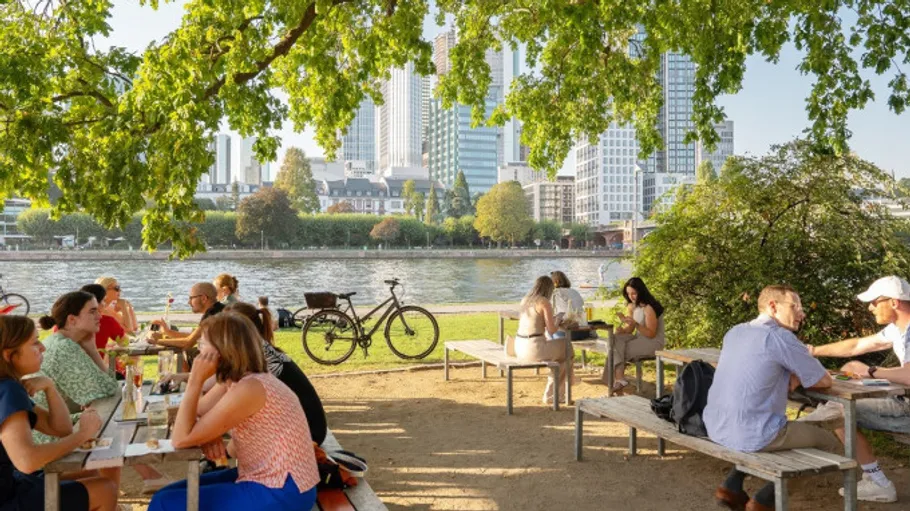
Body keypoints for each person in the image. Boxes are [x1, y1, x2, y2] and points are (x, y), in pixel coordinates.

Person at [148, 313, 319, 511]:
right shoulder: (239, 380)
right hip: (264, 477)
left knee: (164, 504)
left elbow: (180, 439)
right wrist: (208, 434)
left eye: (203, 344)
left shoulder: (250, 388)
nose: (198, 350)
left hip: (282, 488)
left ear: (222, 349)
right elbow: (199, 411)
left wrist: (195, 380)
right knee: (164, 495)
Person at [705, 285, 839, 511]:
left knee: (785, 429)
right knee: (829, 444)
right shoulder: (780, 337)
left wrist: (793, 373)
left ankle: (731, 486)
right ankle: (766, 501)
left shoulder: (735, 331)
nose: (802, 313)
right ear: (773, 306)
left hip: (717, 425)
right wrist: (798, 371)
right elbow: (824, 381)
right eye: (795, 306)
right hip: (755, 433)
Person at [805, 275, 910, 502]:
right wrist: (813, 351)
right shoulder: (898, 329)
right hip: (905, 402)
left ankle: (878, 483)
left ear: (894, 302)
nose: (870, 308)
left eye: (874, 301)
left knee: (839, 411)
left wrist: (871, 371)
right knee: (838, 404)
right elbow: (857, 345)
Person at [0, 316, 119, 511]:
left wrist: (50, 387)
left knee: (94, 474)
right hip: (7, 498)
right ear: (9, 354)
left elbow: (60, 429)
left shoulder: (10, 387)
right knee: (105, 489)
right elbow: (27, 461)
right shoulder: (9, 391)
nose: (42, 348)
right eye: (34, 342)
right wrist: (82, 435)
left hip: (11, 484)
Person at [226, 303, 328, 445]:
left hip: (307, 435)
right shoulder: (258, 347)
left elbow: (216, 399)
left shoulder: (252, 355)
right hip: (308, 428)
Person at [513, 276, 573, 404]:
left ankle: (557, 390)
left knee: (561, 356)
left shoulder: (525, 300)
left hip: (519, 345)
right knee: (568, 349)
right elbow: (552, 330)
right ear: (549, 289)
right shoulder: (544, 302)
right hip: (535, 348)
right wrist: (558, 320)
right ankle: (555, 394)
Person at [605, 277, 666, 393]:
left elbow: (651, 333)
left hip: (652, 343)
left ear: (641, 292)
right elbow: (630, 330)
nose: (630, 297)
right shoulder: (633, 306)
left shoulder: (649, 308)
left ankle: (616, 381)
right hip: (638, 339)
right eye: (628, 294)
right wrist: (622, 330)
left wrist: (636, 324)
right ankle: (619, 379)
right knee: (613, 339)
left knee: (615, 351)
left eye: (634, 293)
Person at [150, 283, 224, 352]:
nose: (189, 302)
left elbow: (187, 343)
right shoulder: (218, 309)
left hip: (223, 363)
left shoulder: (212, 315)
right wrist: (168, 332)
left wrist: (155, 341)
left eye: (191, 298)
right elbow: (193, 337)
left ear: (203, 298)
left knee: (184, 355)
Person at [79, 285, 125, 352]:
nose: (105, 303)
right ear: (95, 303)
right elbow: (124, 343)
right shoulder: (106, 321)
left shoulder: (67, 321)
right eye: (103, 300)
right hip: (101, 361)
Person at [550, 271, 589, 340]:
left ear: (555, 282)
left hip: (568, 334)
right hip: (584, 332)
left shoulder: (555, 293)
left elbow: (552, 315)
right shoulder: (574, 291)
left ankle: (554, 350)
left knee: (548, 330)